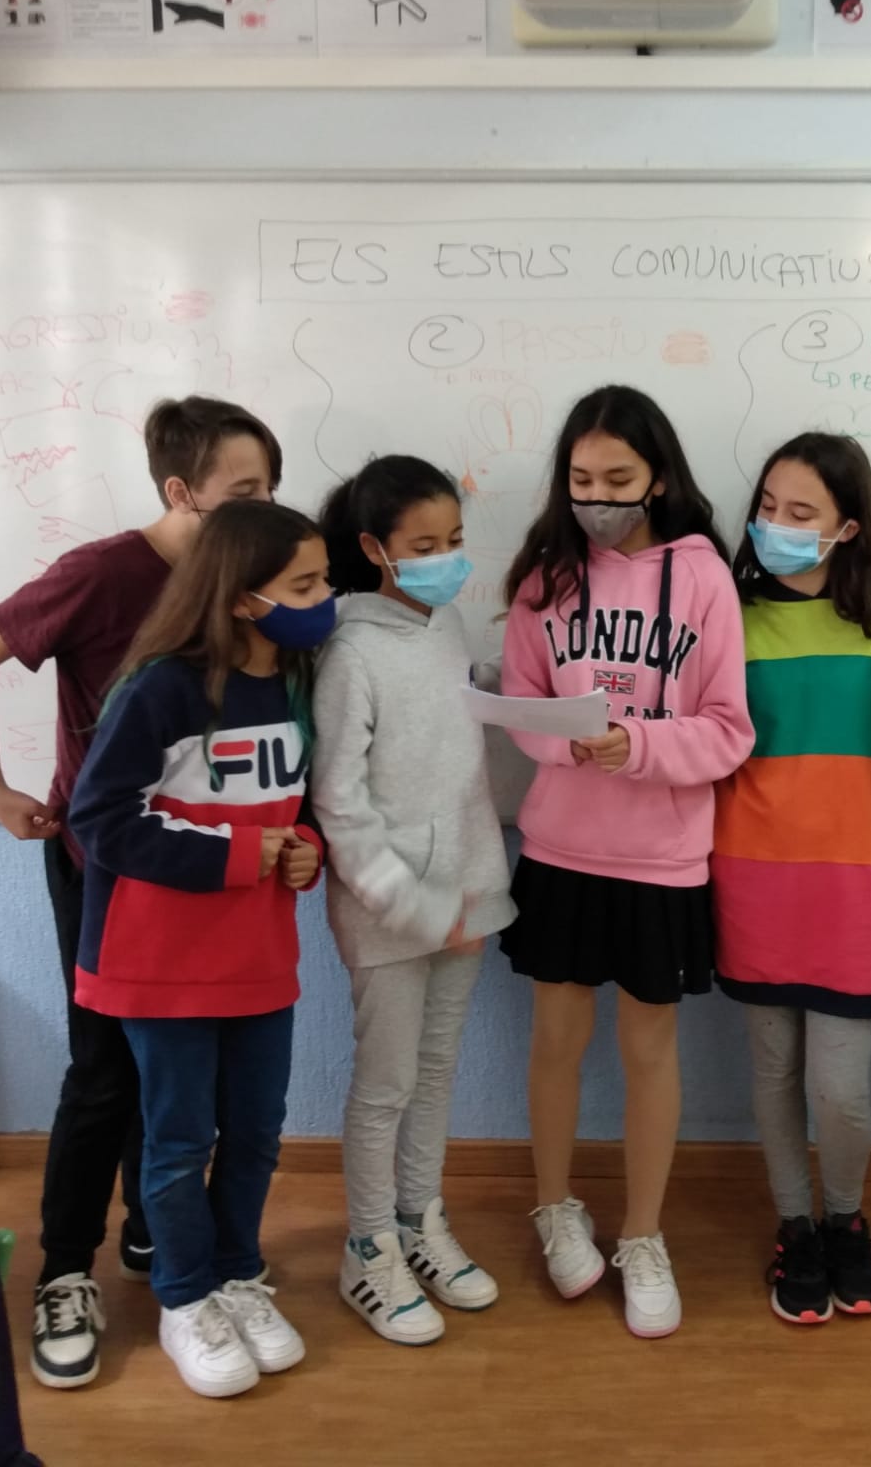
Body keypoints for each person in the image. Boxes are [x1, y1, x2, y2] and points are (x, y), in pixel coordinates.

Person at [0, 396, 280, 1388]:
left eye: (272, 488)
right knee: (104, 1071)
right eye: (244, 491)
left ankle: (155, 1234)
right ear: (181, 491)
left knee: (181, 1078)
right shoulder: (101, 574)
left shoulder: (251, 583)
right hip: (108, 870)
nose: (263, 508)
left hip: (210, 877)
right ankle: (64, 1271)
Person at [499, 384, 754, 1339]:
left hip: (662, 857)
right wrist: (568, 741)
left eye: (617, 478)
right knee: (555, 1044)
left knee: (649, 1053)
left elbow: (729, 730)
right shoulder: (543, 578)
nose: (597, 497)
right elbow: (521, 707)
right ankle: (554, 1206)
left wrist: (639, 744)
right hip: (561, 849)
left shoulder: (704, 578)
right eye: (581, 478)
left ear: (657, 478)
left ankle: (643, 1234)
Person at [67, 499, 330, 1399]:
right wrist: (232, 856)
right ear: (241, 596)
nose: (324, 600)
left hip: (258, 958)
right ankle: (184, 1297)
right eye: (304, 585)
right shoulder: (161, 688)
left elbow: (297, 808)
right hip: (162, 966)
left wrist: (303, 851)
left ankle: (236, 1271)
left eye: (322, 581)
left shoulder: (295, 683)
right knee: (179, 1140)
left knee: (256, 1131)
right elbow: (101, 819)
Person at [713, 433, 871, 1324]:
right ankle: (797, 1228)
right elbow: (706, 746)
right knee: (775, 1071)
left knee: (842, 1090)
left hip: (855, 889)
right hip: (752, 882)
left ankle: (846, 1220)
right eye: (767, 507)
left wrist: (862, 803)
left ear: (848, 528)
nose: (775, 524)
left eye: (801, 512)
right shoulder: (727, 618)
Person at [311, 456, 516, 1347]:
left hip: (469, 889)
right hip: (390, 909)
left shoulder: (448, 623)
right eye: (424, 545)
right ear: (374, 549)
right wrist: (408, 902)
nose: (446, 560)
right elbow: (339, 800)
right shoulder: (348, 651)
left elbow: (456, 716)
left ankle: (417, 1220)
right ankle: (367, 1248)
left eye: (455, 540)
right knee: (386, 1084)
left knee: (436, 1074)